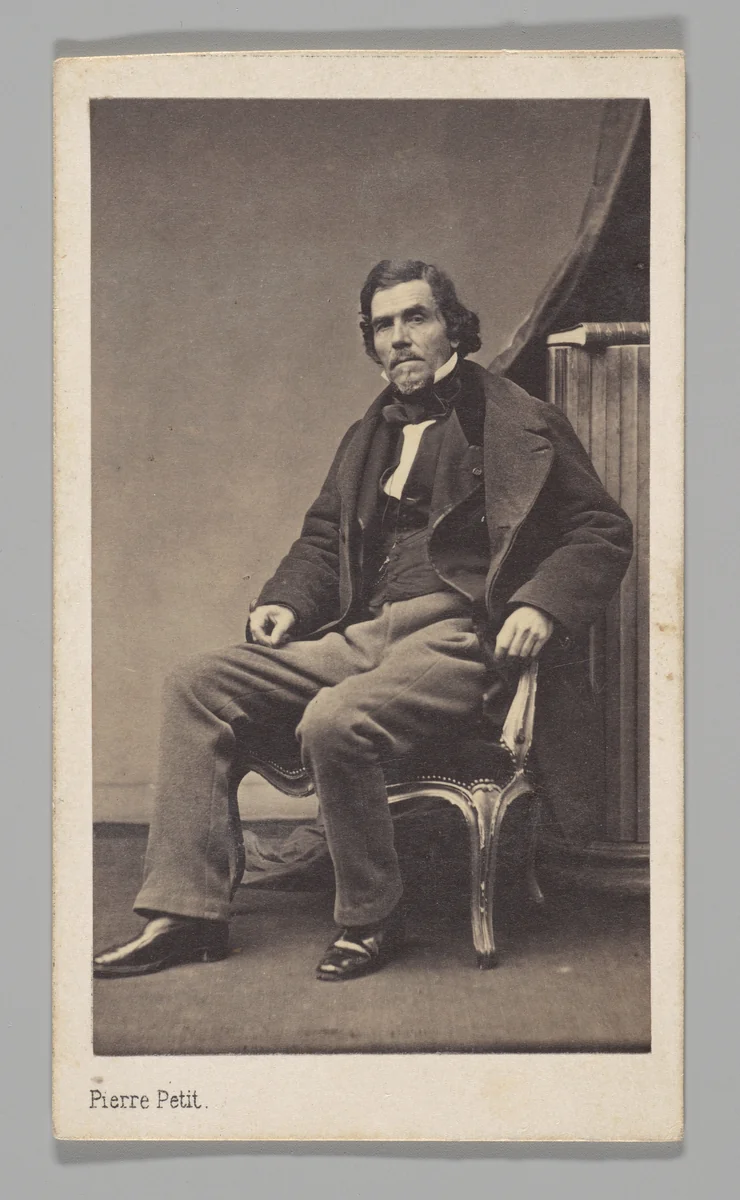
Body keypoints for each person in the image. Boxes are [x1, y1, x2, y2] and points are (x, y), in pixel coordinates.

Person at [94, 259, 632, 983]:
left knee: (333, 722)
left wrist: (542, 603)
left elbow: (599, 527)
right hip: (363, 634)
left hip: (458, 636)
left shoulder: (520, 419)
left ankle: (373, 915)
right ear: (372, 341)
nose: (400, 338)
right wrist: (286, 600)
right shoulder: (367, 435)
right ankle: (185, 915)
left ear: (454, 329)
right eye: (385, 325)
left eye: (417, 318)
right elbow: (324, 539)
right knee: (196, 685)